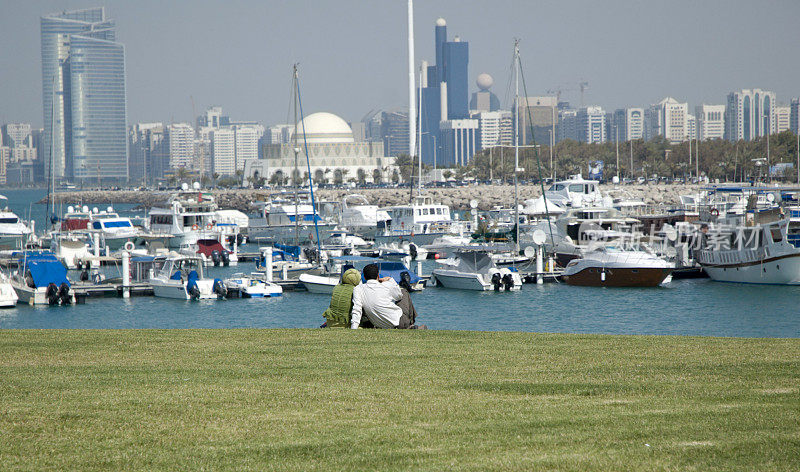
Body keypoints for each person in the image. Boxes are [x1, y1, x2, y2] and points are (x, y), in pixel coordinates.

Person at [350, 263, 425, 329]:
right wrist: (390, 280)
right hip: (399, 322)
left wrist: (354, 328)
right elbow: (399, 296)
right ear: (378, 276)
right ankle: (410, 324)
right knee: (404, 292)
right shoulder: (387, 285)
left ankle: (410, 325)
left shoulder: (358, 289)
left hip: (379, 324)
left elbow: (357, 310)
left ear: (365, 277)